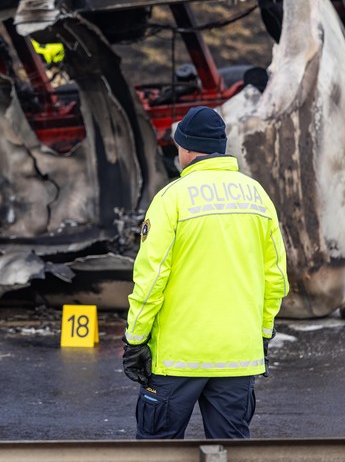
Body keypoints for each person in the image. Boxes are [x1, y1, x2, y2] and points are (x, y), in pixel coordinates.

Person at [121, 105, 288, 439]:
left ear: (187, 149)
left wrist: (135, 339)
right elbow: (276, 279)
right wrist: (264, 333)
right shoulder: (258, 197)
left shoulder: (172, 199)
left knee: (158, 451)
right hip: (239, 356)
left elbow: (151, 279)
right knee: (230, 451)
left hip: (178, 359)